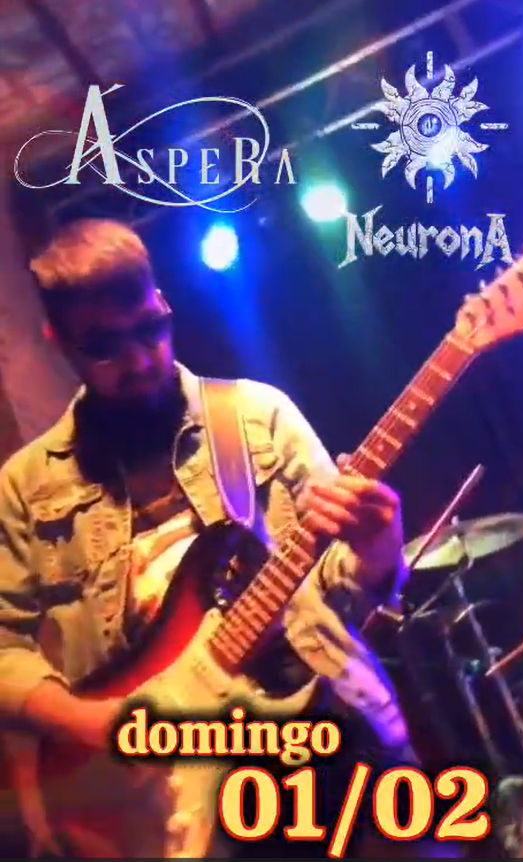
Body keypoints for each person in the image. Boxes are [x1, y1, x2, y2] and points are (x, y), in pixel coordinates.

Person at [0, 219, 456, 858]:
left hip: (323, 736)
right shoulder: (24, 487)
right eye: (104, 347)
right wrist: (94, 722)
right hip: (169, 791)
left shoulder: (256, 417)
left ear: (164, 304)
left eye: (150, 328)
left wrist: (378, 549)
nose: (140, 360)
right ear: (59, 342)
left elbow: (343, 587)